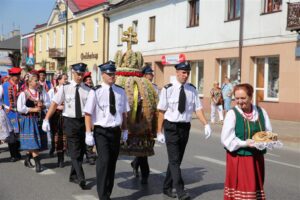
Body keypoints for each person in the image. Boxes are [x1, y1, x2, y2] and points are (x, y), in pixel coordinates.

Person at [156, 61, 212, 200]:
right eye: (183, 72)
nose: (186, 75)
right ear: (177, 73)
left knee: (177, 160)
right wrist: (159, 131)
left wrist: (206, 124)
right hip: (171, 127)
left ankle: (166, 187)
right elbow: (161, 112)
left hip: (185, 127)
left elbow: (197, 109)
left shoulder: (192, 89)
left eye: (188, 73)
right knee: (174, 160)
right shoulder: (167, 89)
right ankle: (181, 192)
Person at [84, 61, 130, 200]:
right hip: (101, 131)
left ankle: (107, 193)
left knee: (112, 163)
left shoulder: (120, 91)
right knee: (104, 161)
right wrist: (88, 133)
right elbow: (88, 113)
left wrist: (125, 130)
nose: (112, 76)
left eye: (113, 74)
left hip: (115, 131)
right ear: (103, 75)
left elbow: (123, 113)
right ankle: (103, 196)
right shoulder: (95, 91)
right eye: (109, 74)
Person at [42, 63, 91, 190]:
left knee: (80, 150)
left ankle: (73, 175)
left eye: (82, 74)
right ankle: (81, 178)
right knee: (74, 150)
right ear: (72, 74)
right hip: (70, 121)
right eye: (78, 74)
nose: (80, 77)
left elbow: (92, 110)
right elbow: (54, 104)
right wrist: (46, 119)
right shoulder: (65, 88)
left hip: (83, 121)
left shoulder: (88, 89)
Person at [221, 83, 272, 200]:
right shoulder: (232, 114)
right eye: (237, 98)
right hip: (239, 158)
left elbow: (269, 133)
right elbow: (226, 139)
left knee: (255, 190)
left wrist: (263, 141)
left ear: (250, 97)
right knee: (244, 190)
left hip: (257, 158)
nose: (239, 101)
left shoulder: (261, 112)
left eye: (243, 98)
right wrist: (245, 143)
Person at [130, 64, 159, 183]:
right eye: (149, 74)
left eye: (152, 74)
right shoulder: (138, 87)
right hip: (140, 119)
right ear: (144, 75)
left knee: (146, 147)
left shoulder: (155, 88)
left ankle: (135, 163)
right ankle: (145, 174)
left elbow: (158, 103)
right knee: (143, 148)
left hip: (150, 121)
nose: (151, 76)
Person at [17, 71, 50, 172]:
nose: (38, 82)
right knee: (34, 142)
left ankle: (27, 159)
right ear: (29, 82)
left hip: (39, 119)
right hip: (28, 120)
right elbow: (20, 108)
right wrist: (32, 109)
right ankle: (38, 164)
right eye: (36, 80)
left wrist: (43, 106)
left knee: (35, 141)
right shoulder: (24, 93)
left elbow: (48, 102)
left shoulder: (41, 91)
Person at [48, 73, 68, 167]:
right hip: (56, 116)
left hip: (66, 116)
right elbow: (48, 104)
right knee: (57, 137)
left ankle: (62, 157)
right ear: (59, 80)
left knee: (65, 137)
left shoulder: (69, 90)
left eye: (67, 79)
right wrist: (57, 106)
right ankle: (60, 158)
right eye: (64, 79)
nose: (66, 80)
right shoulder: (53, 90)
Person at [2, 67, 23, 162]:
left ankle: (17, 152)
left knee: (19, 134)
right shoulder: (5, 85)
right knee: (11, 134)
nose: (18, 78)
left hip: (20, 112)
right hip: (9, 113)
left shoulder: (22, 85)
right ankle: (13, 155)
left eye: (18, 75)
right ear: (11, 76)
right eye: (16, 76)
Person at [82, 71, 97, 165]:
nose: (89, 81)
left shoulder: (94, 90)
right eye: (87, 80)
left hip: (93, 116)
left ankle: (91, 154)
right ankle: (89, 155)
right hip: (84, 116)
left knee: (92, 135)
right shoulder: (83, 90)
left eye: (90, 79)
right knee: (87, 134)